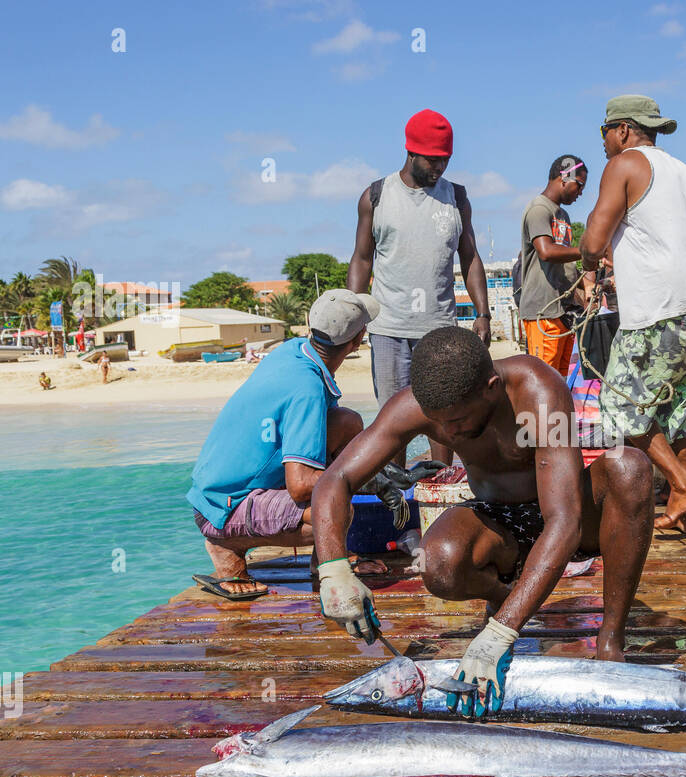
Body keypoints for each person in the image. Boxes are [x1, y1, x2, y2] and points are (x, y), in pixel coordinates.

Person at [311, 327, 655, 713]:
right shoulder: (417, 407)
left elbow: (565, 522)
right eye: (438, 422)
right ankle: (506, 599)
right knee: (438, 561)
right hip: (501, 520)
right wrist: (334, 571)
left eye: (457, 420)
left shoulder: (537, 389)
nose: (449, 431)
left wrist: (500, 634)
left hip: (567, 513)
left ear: (490, 387)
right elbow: (334, 480)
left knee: (630, 466)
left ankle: (610, 639)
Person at [579, 95, 686, 533]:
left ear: (624, 129)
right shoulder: (685, 172)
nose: (605, 142)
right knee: (679, 411)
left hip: (663, 310)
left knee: (619, 406)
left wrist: (590, 267)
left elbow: (592, 242)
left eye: (605, 132)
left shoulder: (624, 164)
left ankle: (684, 487)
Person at [186, 291, 383, 600]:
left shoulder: (292, 351)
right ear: (357, 341)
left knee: (348, 424)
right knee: (336, 506)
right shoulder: (307, 389)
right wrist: (368, 478)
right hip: (223, 508)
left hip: (215, 491)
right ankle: (227, 543)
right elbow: (301, 486)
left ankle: (326, 556)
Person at [346, 109, 490, 465]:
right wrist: (353, 313)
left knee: (445, 416)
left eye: (445, 160)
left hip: (439, 330)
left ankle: (440, 489)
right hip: (388, 329)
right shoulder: (376, 196)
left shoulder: (456, 198)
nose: (439, 168)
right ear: (410, 152)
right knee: (393, 421)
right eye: (432, 160)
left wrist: (483, 313)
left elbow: (469, 257)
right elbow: (362, 259)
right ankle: (396, 503)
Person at [518, 155, 589, 377]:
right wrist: (587, 251)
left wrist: (585, 286)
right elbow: (547, 252)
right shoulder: (539, 209)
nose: (581, 192)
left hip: (563, 312)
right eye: (580, 185)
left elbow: (564, 265)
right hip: (543, 312)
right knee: (543, 383)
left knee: (559, 382)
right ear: (564, 178)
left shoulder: (563, 215)